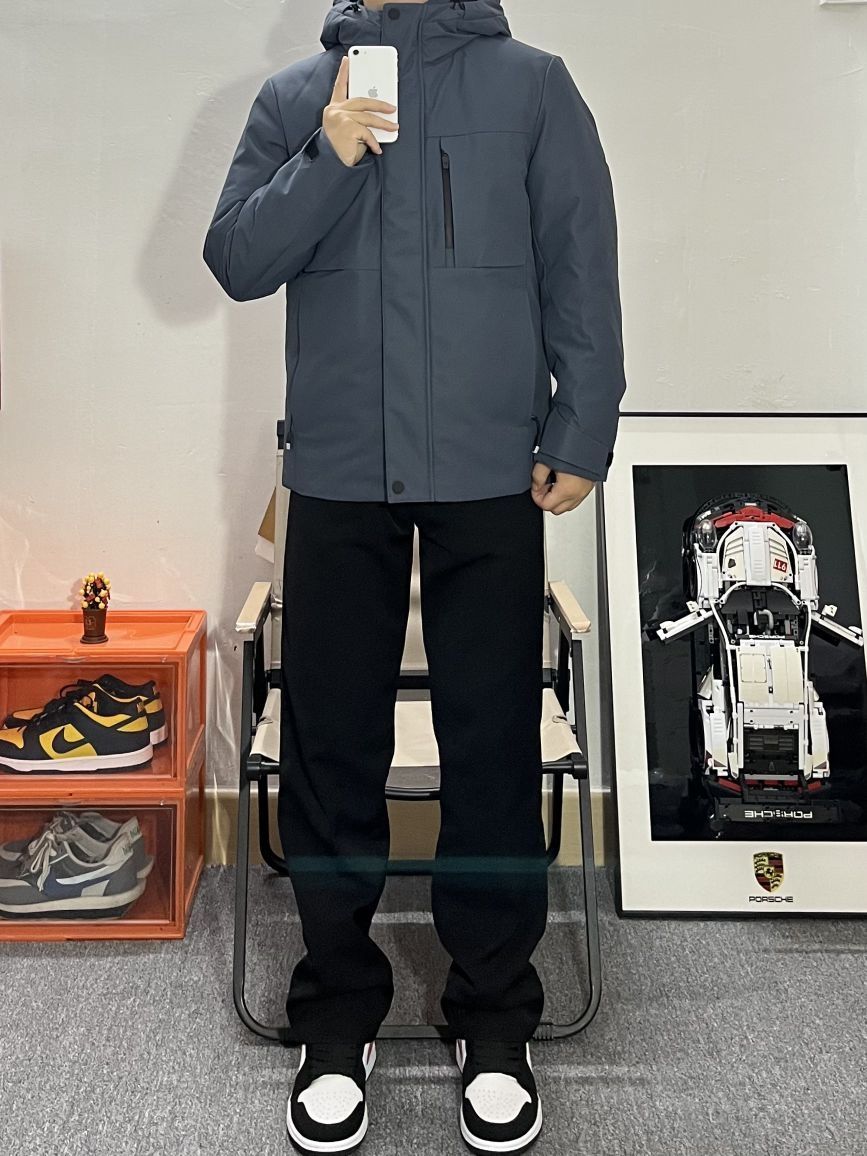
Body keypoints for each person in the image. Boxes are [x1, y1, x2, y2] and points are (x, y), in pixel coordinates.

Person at [203, 0, 626, 1152]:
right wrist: (328, 156)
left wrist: (582, 426)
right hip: (340, 470)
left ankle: (492, 1015)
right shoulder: (298, 99)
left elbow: (579, 259)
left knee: (492, 745)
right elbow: (236, 259)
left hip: (491, 469)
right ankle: (337, 1013)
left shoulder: (534, 86)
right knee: (331, 744)